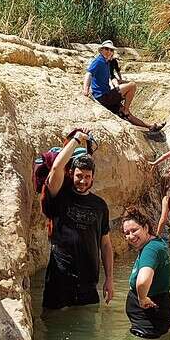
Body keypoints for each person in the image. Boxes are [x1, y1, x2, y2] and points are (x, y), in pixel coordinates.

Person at [40, 131, 114, 310]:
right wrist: (76, 140)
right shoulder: (60, 195)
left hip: (88, 281)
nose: (83, 181)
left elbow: (105, 244)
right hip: (59, 277)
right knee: (52, 322)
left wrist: (109, 279)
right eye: (79, 176)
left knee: (88, 329)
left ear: (92, 177)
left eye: (87, 177)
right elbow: (57, 168)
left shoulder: (100, 205)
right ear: (72, 173)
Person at [84, 41, 165, 132]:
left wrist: (117, 84)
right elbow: (89, 73)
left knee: (126, 114)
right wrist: (86, 89)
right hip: (103, 96)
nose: (109, 51)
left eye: (111, 50)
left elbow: (111, 76)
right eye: (106, 49)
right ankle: (126, 110)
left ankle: (150, 127)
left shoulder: (107, 62)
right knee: (132, 85)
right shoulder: (99, 61)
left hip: (105, 96)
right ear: (101, 50)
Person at [123, 206, 170, 339]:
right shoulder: (156, 243)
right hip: (151, 315)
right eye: (126, 233)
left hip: (148, 319)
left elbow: (143, 281)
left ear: (145, 228)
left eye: (134, 230)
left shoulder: (150, 250)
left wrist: (142, 298)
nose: (130, 236)